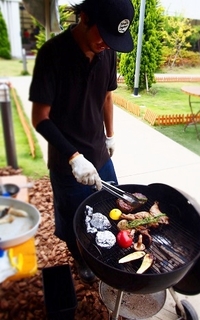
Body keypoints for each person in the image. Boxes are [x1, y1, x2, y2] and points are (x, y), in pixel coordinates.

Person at [29, 0, 134, 284]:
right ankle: (82, 260)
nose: (108, 45)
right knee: (75, 222)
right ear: (85, 18)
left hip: (101, 155)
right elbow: (40, 117)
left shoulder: (107, 51)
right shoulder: (53, 54)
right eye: (104, 36)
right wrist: (74, 157)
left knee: (112, 209)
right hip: (67, 163)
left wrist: (110, 136)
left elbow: (107, 96)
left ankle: (107, 255)